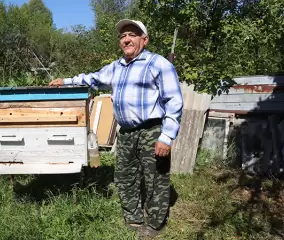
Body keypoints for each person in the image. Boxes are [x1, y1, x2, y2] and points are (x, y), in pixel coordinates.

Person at [49, 19, 183, 238]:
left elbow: (174, 102)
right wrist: (65, 81)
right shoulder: (116, 67)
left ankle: (155, 225)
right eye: (123, 36)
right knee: (124, 177)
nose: (127, 39)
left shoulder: (158, 64)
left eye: (132, 34)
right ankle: (133, 218)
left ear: (144, 39)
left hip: (152, 130)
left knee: (155, 179)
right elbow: (92, 79)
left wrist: (166, 137)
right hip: (127, 132)